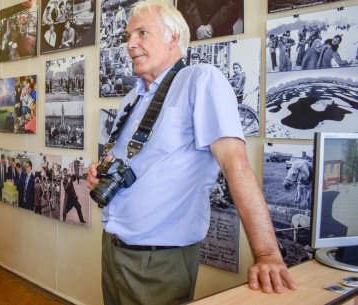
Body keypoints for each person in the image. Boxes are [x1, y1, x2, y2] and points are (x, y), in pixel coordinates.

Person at [86, 1, 296, 304]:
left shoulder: (201, 79)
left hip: (158, 262)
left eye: (142, 33)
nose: (130, 44)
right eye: (128, 36)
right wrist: (99, 173)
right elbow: (138, 163)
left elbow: (236, 166)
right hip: (113, 248)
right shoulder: (133, 97)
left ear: (174, 39)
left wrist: (267, 254)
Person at [177, 0, 243, 40]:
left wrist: (212, 26)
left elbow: (234, 4)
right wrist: (198, 25)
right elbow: (188, 2)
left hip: (221, 30)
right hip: (195, 31)